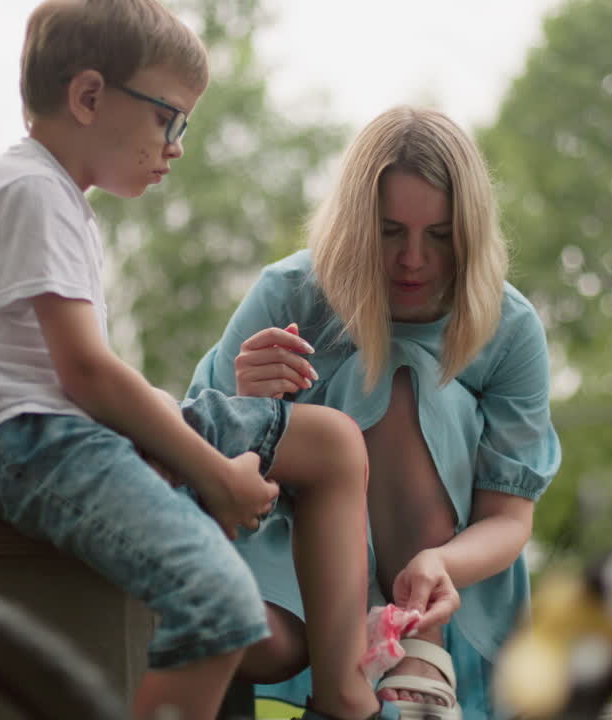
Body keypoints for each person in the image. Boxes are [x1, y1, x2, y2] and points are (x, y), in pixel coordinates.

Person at [0, 2, 395, 719]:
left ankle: (345, 699)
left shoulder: (51, 196)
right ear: (89, 96)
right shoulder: (30, 192)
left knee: (330, 443)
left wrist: (164, 426)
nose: (176, 145)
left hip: (64, 429)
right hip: (25, 445)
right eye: (168, 118)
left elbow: (80, 377)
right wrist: (215, 475)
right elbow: (86, 373)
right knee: (220, 602)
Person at [188, 106, 562, 720]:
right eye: (390, 232)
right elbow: (193, 461)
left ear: (469, 231)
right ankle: (345, 687)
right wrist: (245, 407)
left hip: (444, 581)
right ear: (356, 224)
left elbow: (508, 519)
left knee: (402, 369)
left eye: (439, 235)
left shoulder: (510, 327)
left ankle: (413, 651)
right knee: (255, 638)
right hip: (290, 557)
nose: (412, 259)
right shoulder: (288, 294)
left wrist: (438, 563)